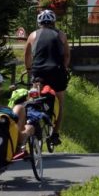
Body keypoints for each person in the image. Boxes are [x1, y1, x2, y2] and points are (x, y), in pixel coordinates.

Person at [24, 9, 70, 145]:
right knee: (60, 103)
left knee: (33, 99)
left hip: (39, 73)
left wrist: (28, 70)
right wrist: (65, 68)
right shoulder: (61, 35)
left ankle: (32, 124)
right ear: (53, 22)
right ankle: (55, 134)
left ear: (39, 22)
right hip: (57, 72)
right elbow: (67, 55)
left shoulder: (32, 35)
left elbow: (27, 55)